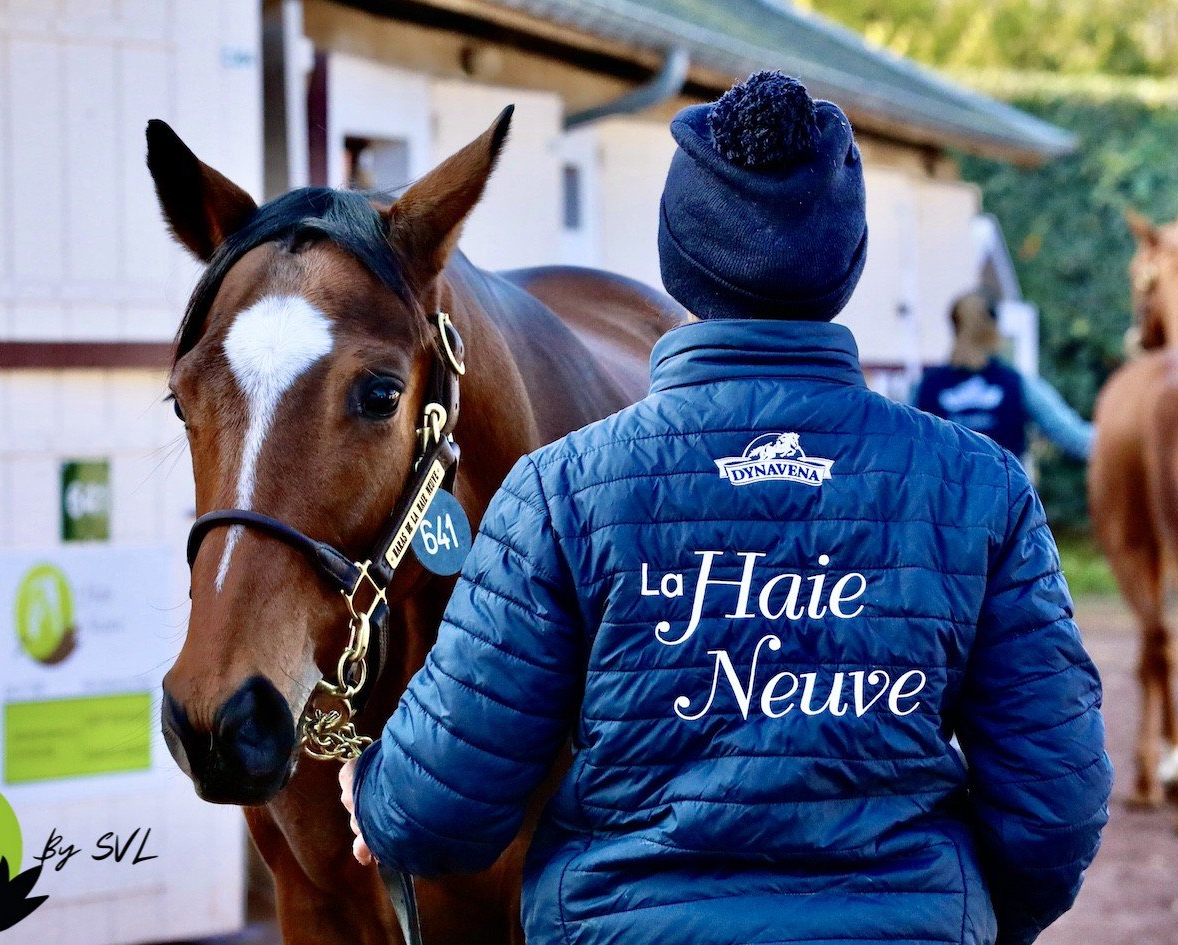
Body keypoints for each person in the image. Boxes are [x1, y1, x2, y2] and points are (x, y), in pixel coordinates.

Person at [341, 72, 1110, 945]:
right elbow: (1056, 803)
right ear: (849, 262)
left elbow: (438, 809)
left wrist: (375, 789)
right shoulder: (979, 488)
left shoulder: (559, 492)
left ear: (676, 259)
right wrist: (958, 916)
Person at [914, 290, 1095, 460]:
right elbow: (1076, 437)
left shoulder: (1016, 384)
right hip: (955, 485)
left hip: (990, 484)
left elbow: (1076, 437)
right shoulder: (926, 387)